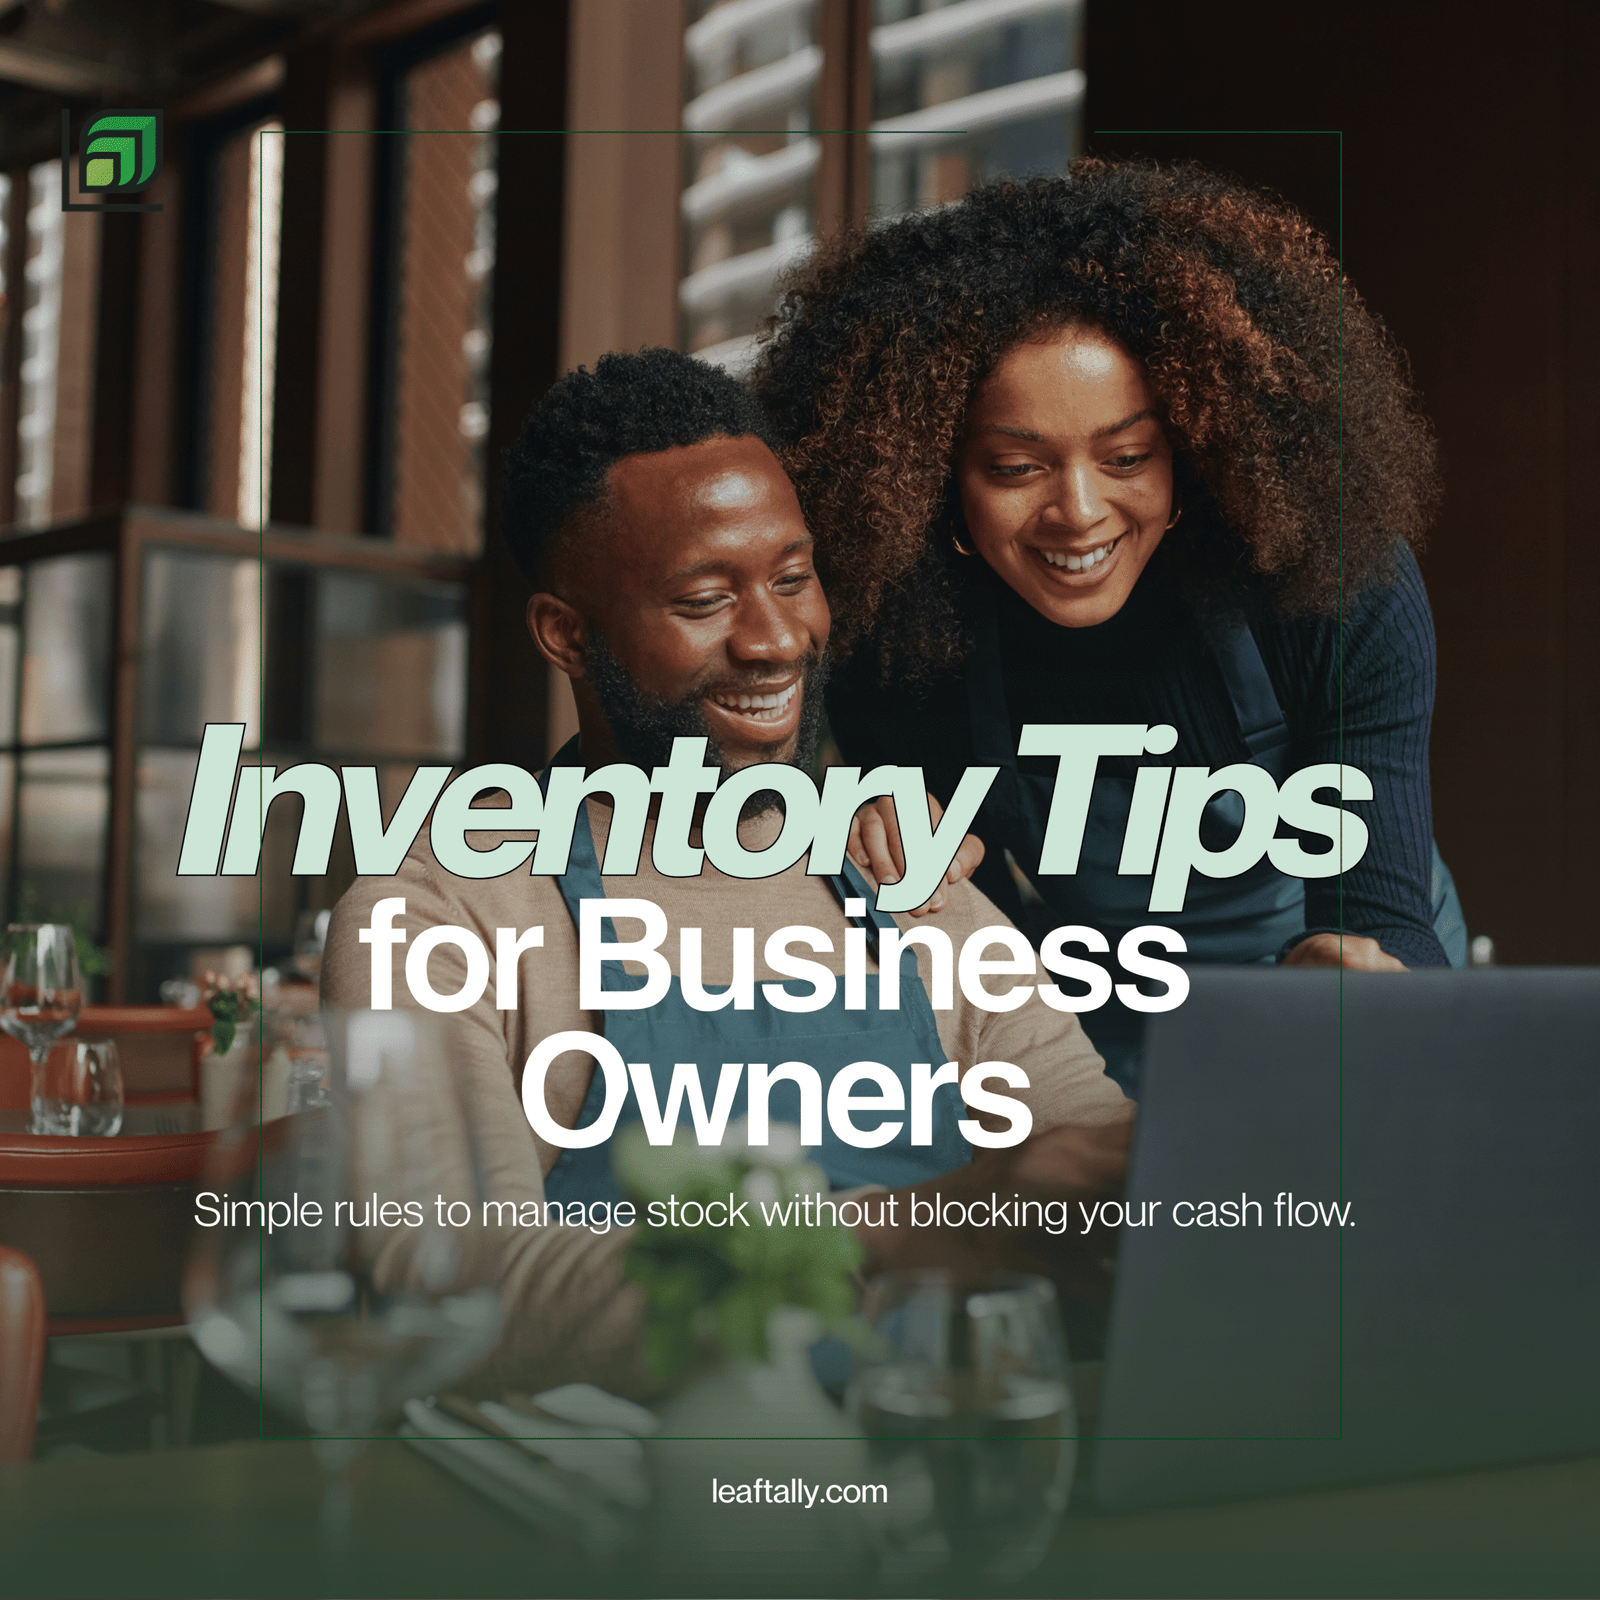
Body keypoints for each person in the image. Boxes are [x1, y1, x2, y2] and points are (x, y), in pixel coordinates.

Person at [322, 347, 1131, 1397]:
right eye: (705, 600)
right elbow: (449, 1282)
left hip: (947, 1471)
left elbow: (1092, 1159)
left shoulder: (898, 869)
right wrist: (910, 1235)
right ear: (566, 635)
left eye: (793, 578)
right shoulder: (440, 914)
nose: (776, 640)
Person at [751, 159, 1466, 1087]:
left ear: (1194, 449)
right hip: (1094, 1021)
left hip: (1330, 1001)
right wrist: (900, 834)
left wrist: (1370, 984)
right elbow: (975, 936)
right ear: (931, 482)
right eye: (1015, 468)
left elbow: (1383, 917)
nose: (1080, 513)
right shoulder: (898, 633)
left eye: (1127, 454)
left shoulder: (1328, 580)